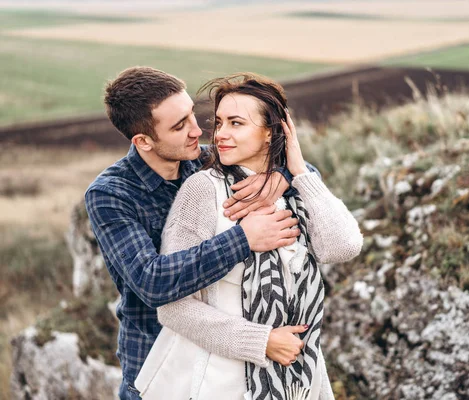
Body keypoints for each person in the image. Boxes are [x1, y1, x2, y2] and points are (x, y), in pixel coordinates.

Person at [85, 67, 317, 400]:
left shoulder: (207, 159)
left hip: (228, 357)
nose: (198, 130)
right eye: (179, 126)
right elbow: (152, 281)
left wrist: (279, 175)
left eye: (191, 114)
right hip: (157, 365)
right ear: (143, 141)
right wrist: (243, 240)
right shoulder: (111, 194)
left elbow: (304, 172)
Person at [134, 73, 363, 400]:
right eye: (220, 123)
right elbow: (172, 306)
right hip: (217, 381)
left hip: (297, 378)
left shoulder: (297, 190)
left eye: (236, 123)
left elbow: (344, 246)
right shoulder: (203, 191)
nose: (221, 134)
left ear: (271, 132)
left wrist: (297, 171)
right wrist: (261, 340)